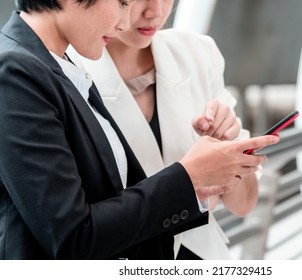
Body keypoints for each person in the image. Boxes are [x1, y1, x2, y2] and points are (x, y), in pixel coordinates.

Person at [0, 0, 279, 259]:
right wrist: (190, 178)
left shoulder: (59, 65)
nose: (127, 20)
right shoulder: (17, 70)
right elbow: (72, 235)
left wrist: (217, 163)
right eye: (123, 2)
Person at [68, 0, 261, 259]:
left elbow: (244, 204)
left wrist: (231, 151)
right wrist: (195, 178)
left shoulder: (199, 54)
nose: (155, 12)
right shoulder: (67, 72)